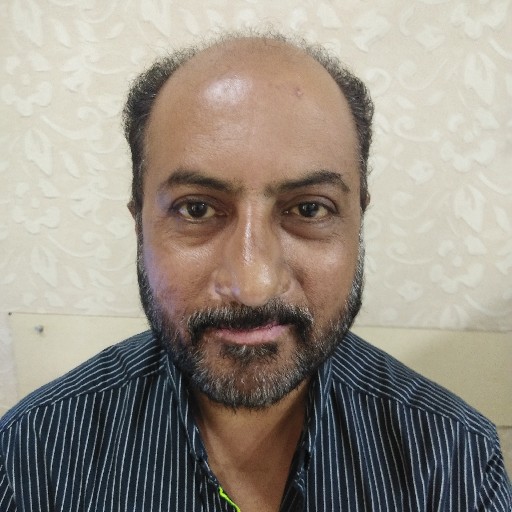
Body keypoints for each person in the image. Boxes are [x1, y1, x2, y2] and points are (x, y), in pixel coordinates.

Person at [0, 31, 510, 512]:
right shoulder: (34, 456)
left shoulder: (454, 462)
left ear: (358, 220)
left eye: (308, 209)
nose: (253, 284)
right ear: (140, 226)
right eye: (197, 209)